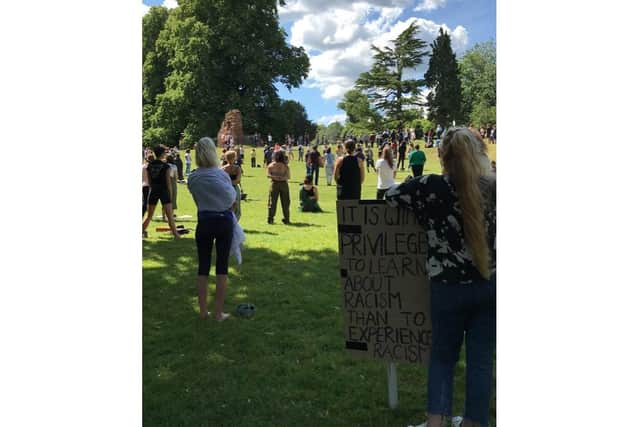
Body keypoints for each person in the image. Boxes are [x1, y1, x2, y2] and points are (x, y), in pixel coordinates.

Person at [387, 128, 496, 427]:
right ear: (481, 154)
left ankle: (435, 422)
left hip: (447, 289)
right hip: (490, 286)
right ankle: (474, 422)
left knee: (442, 358)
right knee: (481, 361)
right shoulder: (496, 187)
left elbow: (391, 195)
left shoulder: (429, 186)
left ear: (442, 156)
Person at [187, 137, 237, 322]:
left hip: (204, 221)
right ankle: (217, 313)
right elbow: (231, 198)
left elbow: (198, 200)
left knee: (203, 268)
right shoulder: (221, 174)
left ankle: (202, 312)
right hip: (223, 221)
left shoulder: (193, 177)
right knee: (222, 267)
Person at [142, 145, 180, 239]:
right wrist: (170, 195)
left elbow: (150, 181)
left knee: (149, 216)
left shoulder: (149, 165)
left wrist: (153, 189)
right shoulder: (166, 166)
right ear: (162, 154)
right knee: (170, 216)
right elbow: (168, 182)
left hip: (153, 190)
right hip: (164, 191)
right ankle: (176, 235)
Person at [266, 150, 291, 224]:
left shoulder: (271, 165)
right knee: (286, 202)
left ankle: (270, 218)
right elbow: (288, 176)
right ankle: (286, 218)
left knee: (272, 202)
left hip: (274, 184)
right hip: (284, 184)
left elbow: (268, 175)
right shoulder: (286, 166)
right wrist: (281, 177)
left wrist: (275, 177)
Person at [222, 150, 242, 221]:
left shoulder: (222, 169)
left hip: (225, 189)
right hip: (234, 188)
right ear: (234, 158)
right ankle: (234, 222)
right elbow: (238, 180)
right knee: (236, 207)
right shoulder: (237, 168)